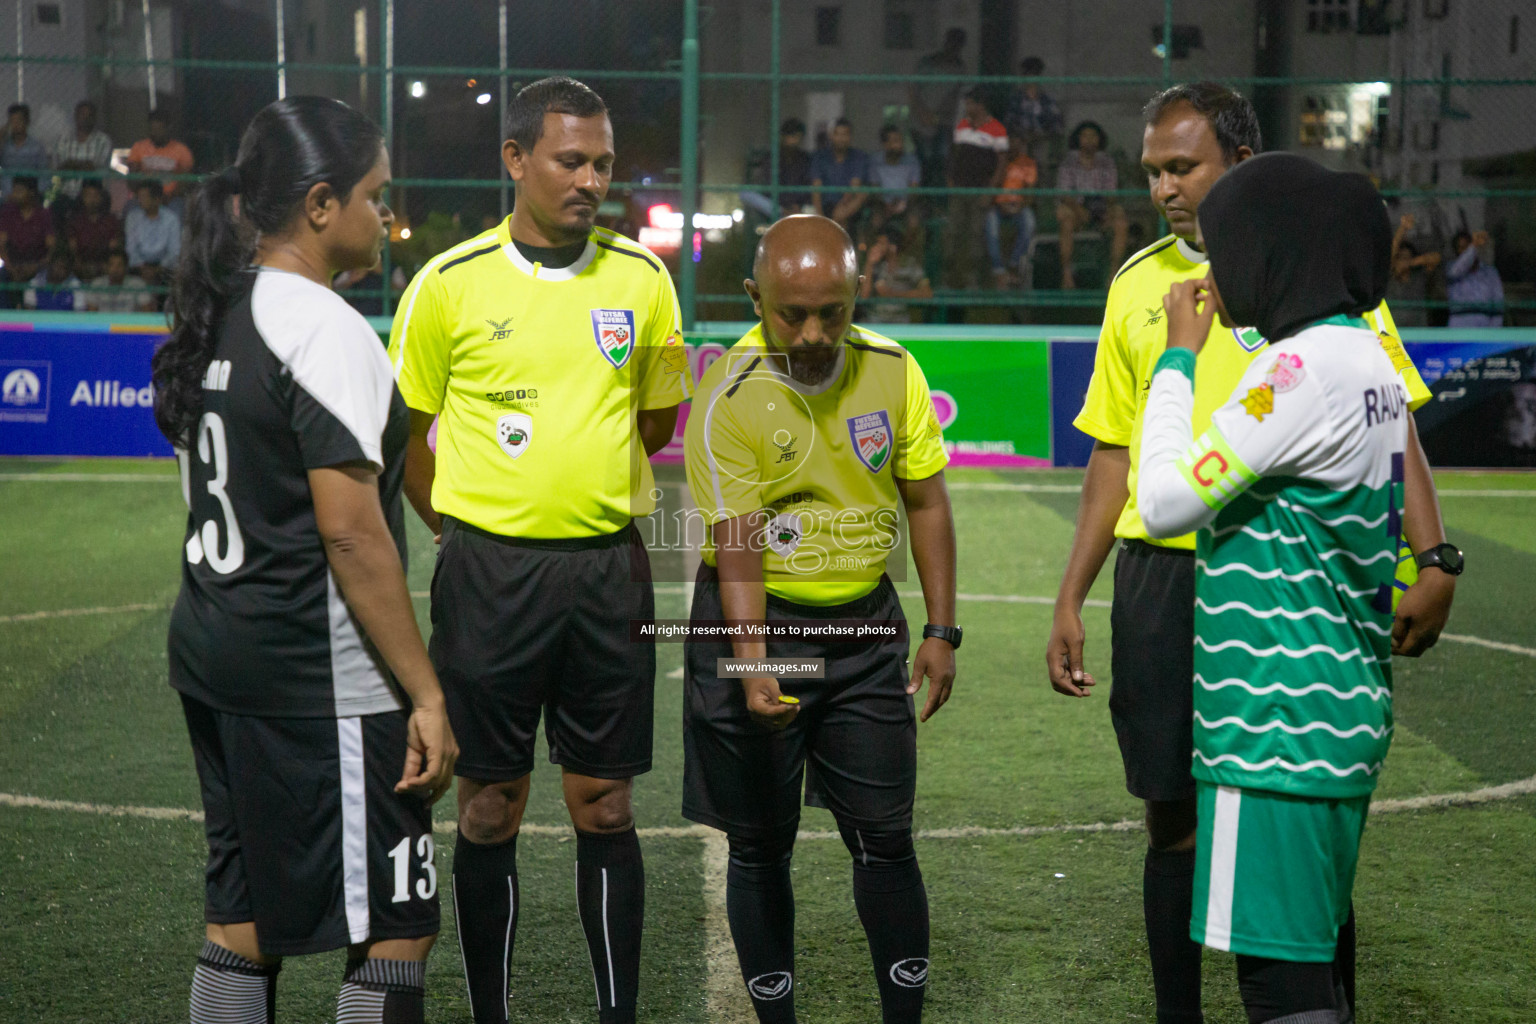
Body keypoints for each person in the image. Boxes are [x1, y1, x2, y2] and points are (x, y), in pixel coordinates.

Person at [1046, 82, 1455, 1024]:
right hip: (1172, 581)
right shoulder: (1137, 284)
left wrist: (1438, 559)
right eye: (1151, 171)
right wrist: (1075, 592)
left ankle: (1302, 991)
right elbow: (1114, 450)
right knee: (1176, 813)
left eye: (1181, 167)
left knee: (1278, 830)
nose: (1164, 189)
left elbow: (1399, 436)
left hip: (1279, 605)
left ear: (1244, 171)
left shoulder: (1313, 308)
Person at [387, 76, 693, 1024]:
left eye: (603, 162)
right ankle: (493, 1013)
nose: (592, 179)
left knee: (606, 803)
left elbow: (654, 420)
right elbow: (407, 440)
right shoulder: (448, 284)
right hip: (489, 581)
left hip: (609, 571)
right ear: (516, 160)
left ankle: (616, 1014)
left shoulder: (642, 280)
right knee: (490, 807)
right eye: (571, 160)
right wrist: (469, 530)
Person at [149, 95, 458, 1024]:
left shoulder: (222, 310)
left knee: (241, 917)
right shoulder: (322, 326)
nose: (385, 216)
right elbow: (352, 534)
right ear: (321, 205)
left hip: (214, 655)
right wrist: (427, 693)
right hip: (314, 679)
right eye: (375, 196)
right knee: (397, 923)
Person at [683, 214, 958, 1024]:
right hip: (760, 625)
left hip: (868, 634)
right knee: (760, 844)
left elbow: (927, 502)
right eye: (789, 313)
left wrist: (942, 630)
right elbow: (738, 547)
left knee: (885, 838)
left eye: (831, 313)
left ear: (856, 294)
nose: (812, 333)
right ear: (753, 297)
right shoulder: (727, 393)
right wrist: (753, 658)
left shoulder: (893, 369)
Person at [945, 88, 1008, 290]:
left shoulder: (997, 129)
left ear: (980, 105)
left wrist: (990, 191)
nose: (967, 107)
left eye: (970, 103)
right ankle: (949, 279)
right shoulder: (962, 125)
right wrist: (951, 181)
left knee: (976, 234)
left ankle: (973, 281)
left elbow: (1001, 164)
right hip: (959, 189)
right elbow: (954, 156)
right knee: (952, 231)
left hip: (980, 190)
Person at [1055, 120, 1128, 288]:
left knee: (1121, 221)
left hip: (1101, 209)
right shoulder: (1068, 161)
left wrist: (1105, 208)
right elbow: (1064, 193)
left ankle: (1113, 275)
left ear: (1099, 139)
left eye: (1093, 136)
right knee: (1064, 217)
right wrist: (1079, 210)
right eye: (1085, 136)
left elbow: (1111, 192)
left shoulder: (1107, 161)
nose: (1089, 140)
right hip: (1075, 210)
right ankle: (1067, 274)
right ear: (1078, 139)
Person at [909, 28, 967, 186]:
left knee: (942, 162)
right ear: (946, 43)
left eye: (958, 45)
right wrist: (922, 114)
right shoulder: (927, 62)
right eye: (952, 43)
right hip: (921, 123)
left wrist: (949, 119)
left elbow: (957, 95)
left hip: (944, 123)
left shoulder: (960, 68)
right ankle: (924, 201)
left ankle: (938, 202)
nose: (954, 48)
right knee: (924, 163)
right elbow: (913, 89)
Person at [986, 131, 1038, 286]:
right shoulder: (995, 161)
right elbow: (989, 189)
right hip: (997, 206)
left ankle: (1014, 264)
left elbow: (1030, 190)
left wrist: (1019, 205)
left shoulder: (1027, 163)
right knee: (991, 225)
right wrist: (998, 203)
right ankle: (999, 270)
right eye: (1009, 141)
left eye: (1016, 141)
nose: (1012, 145)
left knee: (1029, 222)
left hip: (1018, 207)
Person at [860, 219, 932, 323]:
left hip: (901, 323)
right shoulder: (875, 266)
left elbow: (927, 294)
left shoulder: (910, 265)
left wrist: (893, 294)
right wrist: (869, 264)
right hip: (875, 321)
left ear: (893, 246)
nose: (878, 247)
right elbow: (864, 296)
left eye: (882, 243)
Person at [0, 176, 55, 310]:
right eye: (14, 191)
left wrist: (36, 266)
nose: (14, 195)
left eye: (19, 191)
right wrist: (10, 266)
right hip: (13, 266)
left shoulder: (43, 215)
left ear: (31, 193)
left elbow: (51, 247)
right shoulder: (8, 213)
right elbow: (1, 244)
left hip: (38, 267)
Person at [810, 117, 872, 230]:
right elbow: (816, 187)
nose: (841, 138)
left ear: (850, 136)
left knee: (864, 192)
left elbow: (855, 186)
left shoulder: (859, 157)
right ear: (830, 136)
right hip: (827, 204)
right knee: (840, 221)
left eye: (845, 134)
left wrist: (842, 209)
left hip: (850, 204)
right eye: (837, 134)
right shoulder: (820, 157)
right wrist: (820, 218)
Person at [51, 100, 114, 209]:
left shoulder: (103, 141)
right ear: (75, 116)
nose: (85, 118)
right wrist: (82, 165)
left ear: (94, 119)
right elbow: (58, 169)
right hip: (65, 195)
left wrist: (70, 164)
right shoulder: (63, 140)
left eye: (89, 115)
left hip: (93, 197)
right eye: (82, 114)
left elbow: (94, 167)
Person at [1385, 214, 1440, 328]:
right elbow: (1391, 252)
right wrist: (1403, 228)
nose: (1403, 261)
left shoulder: (1419, 276)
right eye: (1401, 258)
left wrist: (1409, 263)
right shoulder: (1390, 278)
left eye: (1407, 257)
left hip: (1418, 334)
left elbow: (1436, 258)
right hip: (1393, 334)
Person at [125, 178, 182, 286]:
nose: (140, 200)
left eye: (144, 197)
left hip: (164, 268)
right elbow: (131, 248)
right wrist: (142, 267)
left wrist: (158, 269)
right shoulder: (132, 217)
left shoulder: (171, 219)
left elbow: (174, 250)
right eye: (139, 197)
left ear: (157, 199)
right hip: (138, 268)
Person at [1005, 57, 1064, 161]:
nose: (1031, 78)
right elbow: (1009, 123)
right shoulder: (1016, 99)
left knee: (1042, 154)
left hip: (1042, 140)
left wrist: (1041, 135)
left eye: (1034, 74)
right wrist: (1022, 136)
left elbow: (1057, 126)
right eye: (1027, 74)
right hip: (1021, 140)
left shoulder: (1047, 100)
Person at [127, 109, 195, 198]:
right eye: (152, 130)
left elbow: (186, 180)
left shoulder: (182, 150)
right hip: (144, 198)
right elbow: (132, 177)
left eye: (158, 130)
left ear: (168, 128)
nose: (154, 133)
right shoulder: (138, 147)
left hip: (172, 199)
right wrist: (142, 195)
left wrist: (170, 196)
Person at [868, 124, 923, 232]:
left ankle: (901, 248)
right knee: (875, 222)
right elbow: (875, 188)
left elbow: (914, 188)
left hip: (907, 203)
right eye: (895, 141)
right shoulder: (875, 161)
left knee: (914, 223)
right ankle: (880, 248)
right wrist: (886, 204)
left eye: (900, 141)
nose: (900, 145)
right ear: (885, 144)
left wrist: (903, 204)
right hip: (882, 203)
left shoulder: (912, 161)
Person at [66, 179, 123, 281]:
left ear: (102, 197)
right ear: (82, 197)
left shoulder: (111, 221)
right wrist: (80, 265)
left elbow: (114, 248)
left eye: (95, 196)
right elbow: (72, 249)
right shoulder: (75, 221)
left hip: (105, 269)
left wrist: (104, 266)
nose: (92, 200)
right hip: (80, 269)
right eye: (88, 195)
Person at [1445, 229, 1504, 327]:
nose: (1464, 251)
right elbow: (1458, 269)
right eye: (1460, 248)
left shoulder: (1490, 272)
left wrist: (1494, 331)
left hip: (1485, 323)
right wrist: (1473, 246)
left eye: (1467, 247)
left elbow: (1498, 304)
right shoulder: (1451, 268)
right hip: (1459, 324)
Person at [83, 249, 155, 312]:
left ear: (126, 267)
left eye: (119, 265)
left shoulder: (138, 284)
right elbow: (91, 313)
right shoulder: (97, 284)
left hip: (130, 326)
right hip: (104, 326)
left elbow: (147, 312)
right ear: (106, 267)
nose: (115, 269)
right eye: (112, 265)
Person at [1, 104, 49, 197]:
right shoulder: (4, 146)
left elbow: (44, 174)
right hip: (6, 196)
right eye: (12, 120)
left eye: (19, 120)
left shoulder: (37, 147)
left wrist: (36, 194)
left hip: (30, 196)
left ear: (27, 122)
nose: (15, 124)